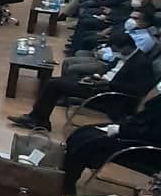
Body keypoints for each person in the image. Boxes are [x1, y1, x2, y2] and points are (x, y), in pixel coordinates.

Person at [9, 33, 154, 132]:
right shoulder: (126, 55)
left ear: (127, 47)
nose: (115, 52)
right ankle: (38, 118)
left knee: (54, 85)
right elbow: (110, 69)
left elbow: (137, 90)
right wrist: (95, 76)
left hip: (107, 94)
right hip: (98, 83)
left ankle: (37, 119)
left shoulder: (141, 63)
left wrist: (105, 84)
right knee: (53, 81)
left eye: (116, 49)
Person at [61, 95, 161, 195]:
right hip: (135, 133)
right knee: (84, 132)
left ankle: (65, 184)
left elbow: (152, 134)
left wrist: (122, 130)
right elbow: (143, 118)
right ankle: (62, 175)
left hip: (146, 150)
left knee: (90, 142)